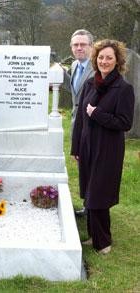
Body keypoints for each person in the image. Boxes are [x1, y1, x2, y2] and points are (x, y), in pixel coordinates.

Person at [71, 39, 135, 254]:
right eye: (100, 57)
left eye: (109, 58)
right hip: (88, 146)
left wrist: (98, 114)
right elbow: (80, 118)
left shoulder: (123, 89)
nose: (104, 61)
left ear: (117, 61)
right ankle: (93, 236)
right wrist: (76, 147)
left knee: (99, 193)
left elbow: (124, 123)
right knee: (89, 191)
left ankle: (104, 241)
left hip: (108, 149)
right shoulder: (90, 84)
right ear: (95, 59)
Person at [69, 29, 95, 217]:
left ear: (91, 47)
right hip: (76, 124)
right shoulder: (73, 66)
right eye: (76, 45)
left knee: (94, 167)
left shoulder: (98, 68)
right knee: (82, 165)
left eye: (83, 44)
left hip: (93, 126)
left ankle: (94, 207)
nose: (79, 48)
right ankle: (88, 205)